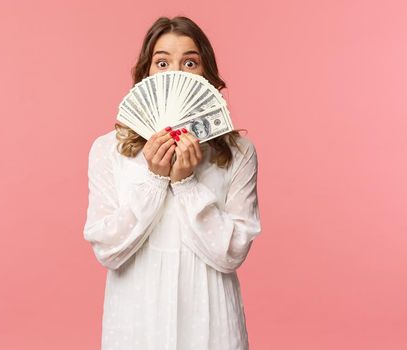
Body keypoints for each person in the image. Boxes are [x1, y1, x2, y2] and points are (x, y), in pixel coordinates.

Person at [83, 16, 262, 349]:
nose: (176, 73)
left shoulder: (239, 152)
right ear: (146, 74)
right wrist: (154, 178)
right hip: (137, 314)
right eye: (162, 62)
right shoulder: (107, 149)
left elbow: (232, 253)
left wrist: (186, 184)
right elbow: (108, 249)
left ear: (207, 74)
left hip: (210, 315)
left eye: (190, 62)